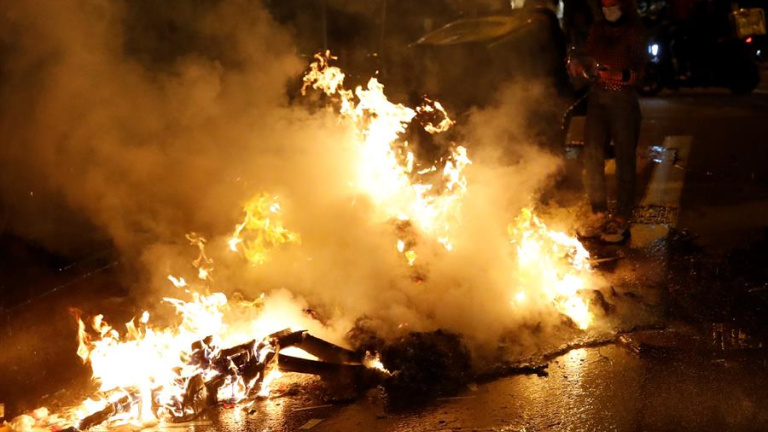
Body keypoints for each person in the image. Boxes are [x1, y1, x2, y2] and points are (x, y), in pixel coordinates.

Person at [575, 0, 645, 242]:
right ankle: (599, 212)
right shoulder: (597, 30)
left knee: (624, 158)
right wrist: (581, 65)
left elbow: (641, 71)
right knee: (592, 156)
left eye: (612, 4)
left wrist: (617, 74)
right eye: (604, 6)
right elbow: (588, 56)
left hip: (622, 100)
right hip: (597, 98)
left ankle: (622, 217)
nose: (608, 10)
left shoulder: (633, 32)